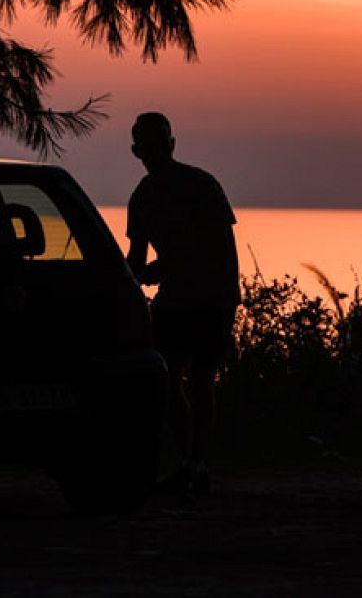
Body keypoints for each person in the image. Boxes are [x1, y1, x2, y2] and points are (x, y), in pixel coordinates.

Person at [125, 111, 240, 495]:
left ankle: (195, 461)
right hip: (176, 300)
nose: (155, 153)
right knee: (170, 380)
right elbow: (137, 260)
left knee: (201, 378)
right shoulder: (142, 197)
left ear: (171, 145)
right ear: (136, 150)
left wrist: (228, 299)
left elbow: (223, 247)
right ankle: (189, 461)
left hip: (209, 298)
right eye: (148, 146)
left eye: (160, 145)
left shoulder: (202, 185)